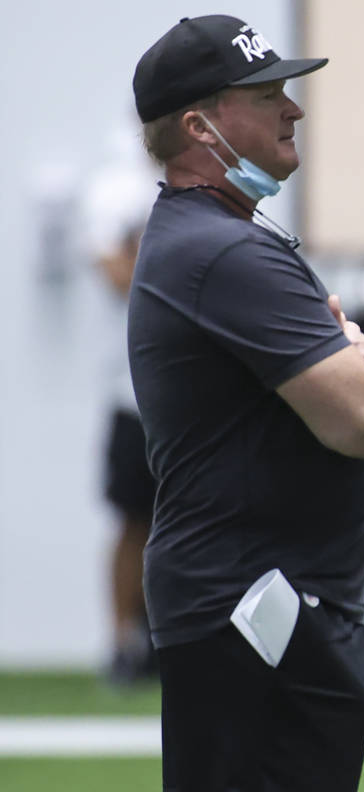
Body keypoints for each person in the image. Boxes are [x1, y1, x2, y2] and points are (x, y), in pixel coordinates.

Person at [128, 14, 364, 791]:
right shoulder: (222, 251)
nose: (294, 109)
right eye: (266, 93)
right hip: (255, 610)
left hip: (263, 607)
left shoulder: (218, 239)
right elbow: (362, 420)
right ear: (200, 125)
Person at [80, 138, 160, 686]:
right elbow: (112, 270)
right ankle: (124, 643)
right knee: (134, 519)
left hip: (202, 394)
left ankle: (176, 638)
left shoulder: (218, 180)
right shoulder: (119, 187)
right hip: (133, 390)